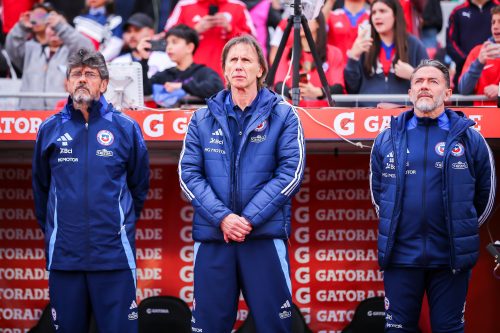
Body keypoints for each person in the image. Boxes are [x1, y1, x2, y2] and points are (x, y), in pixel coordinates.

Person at [178, 35, 305, 333]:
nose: (239, 66)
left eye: (246, 60)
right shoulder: (201, 118)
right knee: (209, 327)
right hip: (214, 238)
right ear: (223, 69)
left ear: (261, 69)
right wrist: (223, 218)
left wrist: (246, 220)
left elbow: (291, 173)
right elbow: (188, 175)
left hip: (262, 238)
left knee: (276, 327)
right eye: (232, 60)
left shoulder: (284, 115)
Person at [370, 59, 496, 333]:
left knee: (448, 330)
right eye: (418, 82)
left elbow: (485, 199)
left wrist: (459, 229)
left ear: (448, 93)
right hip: (401, 257)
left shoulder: (471, 138)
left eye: (433, 81)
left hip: (449, 258)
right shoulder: (387, 137)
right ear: (411, 91)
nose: (424, 87)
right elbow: (379, 196)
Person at [32, 48, 149, 333]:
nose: (82, 80)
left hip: (113, 258)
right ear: (68, 83)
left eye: (90, 74)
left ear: (105, 84)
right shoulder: (49, 129)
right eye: (76, 74)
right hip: (65, 257)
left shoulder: (125, 128)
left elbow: (138, 186)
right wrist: (59, 230)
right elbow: (41, 189)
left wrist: (118, 224)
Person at [5, 7, 94, 109]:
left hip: (62, 116)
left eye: (57, 27)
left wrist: (60, 26)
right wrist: (21, 28)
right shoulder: (30, 49)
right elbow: (11, 47)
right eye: (49, 26)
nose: (54, 31)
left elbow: (88, 50)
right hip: (29, 118)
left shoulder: (74, 53)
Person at [344, 0, 428, 106]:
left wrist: (414, 75)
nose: (377, 16)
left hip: (404, 116)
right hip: (368, 117)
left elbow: (431, 85)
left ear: (395, 15)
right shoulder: (363, 45)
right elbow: (352, 88)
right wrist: (353, 57)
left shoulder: (415, 44)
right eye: (374, 12)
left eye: (382, 11)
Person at [164, 0, 256, 79]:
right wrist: (194, 30)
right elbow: (168, 37)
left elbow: (253, 42)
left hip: (229, 77)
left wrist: (230, 29)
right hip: (191, 78)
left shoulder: (238, 6)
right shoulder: (185, 5)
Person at [137, 24, 223, 107]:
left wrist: (182, 86)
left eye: (174, 42)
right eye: (167, 43)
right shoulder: (166, 74)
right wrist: (144, 60)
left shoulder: (203, 72)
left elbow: (217, 89)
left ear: (189, 47)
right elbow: (144, 91)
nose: (169, 47)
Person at [274, 12, 345, 106]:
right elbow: (278, 84)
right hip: (294, 112)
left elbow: (338, 87)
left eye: (306, 18)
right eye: (297, 19)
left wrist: (318, 92)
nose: (300, 23)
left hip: (324, 113)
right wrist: (292, 93)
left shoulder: (333, 53)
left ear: (318, 23)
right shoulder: (286, 53)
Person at [446, 0, 500, 89]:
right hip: (465, 69)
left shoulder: (497, 5)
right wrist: (474, 61)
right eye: (493, 22)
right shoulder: (458, 11)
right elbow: (451, 44)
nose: (496, 26)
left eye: (499, 22)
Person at [458, 5, 500, 105]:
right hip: (484, 117)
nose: (495, 26)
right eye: (493, 22)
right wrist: (478, 63)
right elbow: (463, 89)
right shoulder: (478, 52)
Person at [112, 12, 175, 78]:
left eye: (137, 30)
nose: (132, 35)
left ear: (151, 32)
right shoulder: (117, 63)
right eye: (128, 31)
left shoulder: (167, 59)